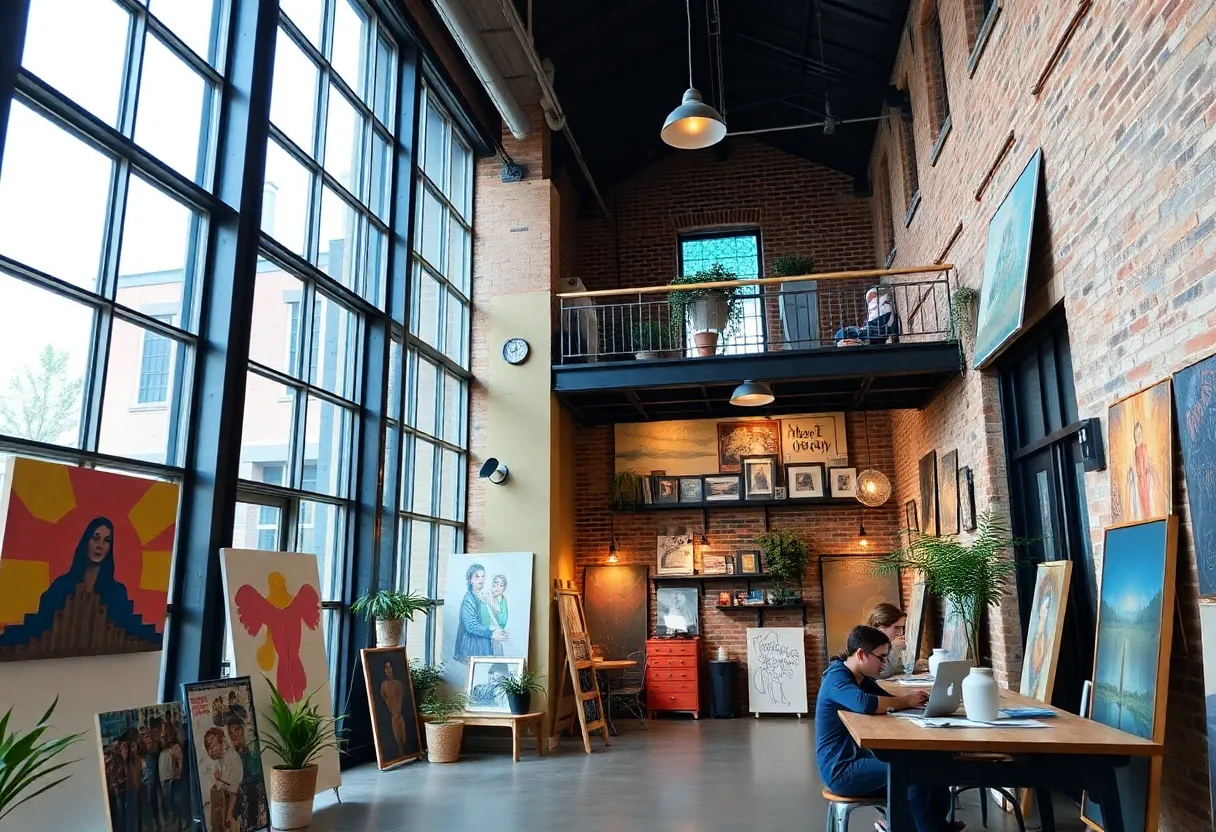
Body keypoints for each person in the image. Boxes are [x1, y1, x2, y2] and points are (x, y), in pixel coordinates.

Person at [815, 625, 959, 832]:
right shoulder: (836, 677)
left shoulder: (859, 677)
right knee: (915, 771)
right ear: (861, 654)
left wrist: (913, 701)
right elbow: (864, 703)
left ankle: (935, 826)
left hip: (859, 759)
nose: (884, 664)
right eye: (881, 658)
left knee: (934, 762)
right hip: (842, 770)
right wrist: (906, 700)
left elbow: (888, 700)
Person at [0, 517, 160, 655]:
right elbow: (38, 626)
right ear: (86, 541)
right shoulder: (61, 586)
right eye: (95, 538)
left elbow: (130, 628)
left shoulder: (117, 592)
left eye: (106, 541)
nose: (100, 545)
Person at [865, 603, 928, 679]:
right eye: (897, 628)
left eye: (902, 628)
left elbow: (895, 667)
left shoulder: (886, 643)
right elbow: (880, 674)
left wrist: (913, 667)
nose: (900, 633)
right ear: (881, 626)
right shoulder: (868, 644)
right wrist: (895, 649)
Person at [454, 564, 501, 662]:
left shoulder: (483, 596)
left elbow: (491, 618)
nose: (481, 579)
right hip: (473, 644)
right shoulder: (469, 599)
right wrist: (492, 633)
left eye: (483, 576)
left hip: (485, 642)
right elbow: (471, 626)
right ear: (470, 580)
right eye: (477, 576)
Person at [227, 715, 265, 829]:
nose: (234, 734)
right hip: (242, 798)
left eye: (237, 729)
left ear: (243, 728)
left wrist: (244, 751)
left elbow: (255, 770)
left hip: (255, 795)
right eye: (231, 732)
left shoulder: (253, 746)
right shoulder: (234, 753)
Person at [202, 727, 241, 832]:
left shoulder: (230, 757)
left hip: (234, 796)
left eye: (213, 746)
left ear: (222, 742)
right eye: (208, 748)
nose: (211, 752)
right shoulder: (221, 758)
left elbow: (233, 782)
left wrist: (220, 778)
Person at [380, 660, 408, 755]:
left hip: (399, 715)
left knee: (402, 735)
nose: (388, 670)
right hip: (391, 716)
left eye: (390, 667)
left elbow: (401, 698)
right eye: (386, 668)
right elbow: (385, 699)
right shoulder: (383, 686)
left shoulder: (398, 684)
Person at [482, 574, 514, 655]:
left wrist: (493, 609)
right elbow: (483, 620)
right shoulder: (486, 596)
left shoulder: (503, 600)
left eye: (500, 585)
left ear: (504, 588)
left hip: (497, 634)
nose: (497, 587)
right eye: (495, 584)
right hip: (486, 634)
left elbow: (503, 620)